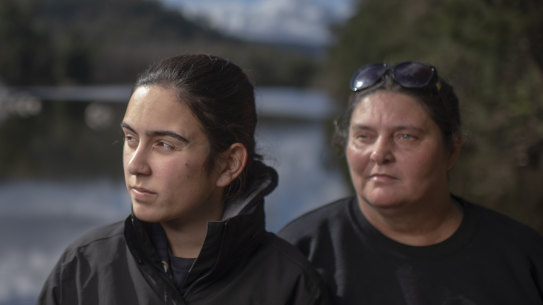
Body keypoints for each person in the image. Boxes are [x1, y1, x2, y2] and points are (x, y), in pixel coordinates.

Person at [38, 54, 330, 305]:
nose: (135, 165)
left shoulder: (289, 286)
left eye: (164, 144)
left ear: (229, 164)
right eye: (130, 138)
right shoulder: (84, 267)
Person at [279, 61, 543, 305]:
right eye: (364, 136)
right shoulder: (298, 254)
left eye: (406, 136)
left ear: (452, 150)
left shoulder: (524, 259)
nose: (379, 153)